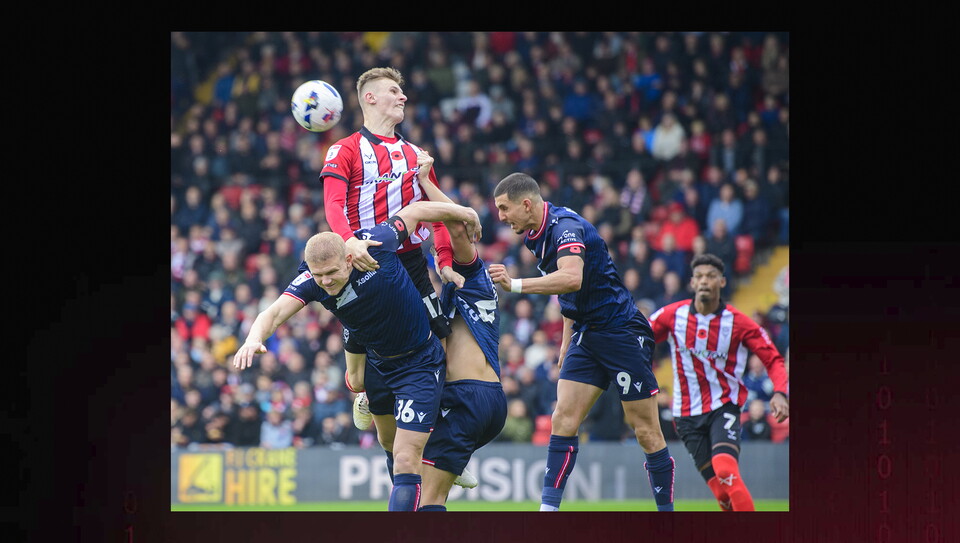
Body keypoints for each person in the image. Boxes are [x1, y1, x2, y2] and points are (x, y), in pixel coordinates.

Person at [233, 195, 481, 512]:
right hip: (377, 360)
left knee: (407, 457)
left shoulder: (375, 243)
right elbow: (273, 313)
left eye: (331, 272)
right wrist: (253, 338)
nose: (325, 281)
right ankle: (367, 397)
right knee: (389, 444)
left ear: (349, 258)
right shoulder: (312, 281)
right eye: (318, 275)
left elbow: (417, 210)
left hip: (419, 362)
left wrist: (464, 212)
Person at [488, 172, 676, 512]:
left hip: (620, 331)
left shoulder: (565, 228)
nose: (500, 216)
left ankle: (667, 515)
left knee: (646, 431)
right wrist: (566, 339)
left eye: (504, 208)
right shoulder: (534, 236)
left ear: (526, 204)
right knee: (563, 418)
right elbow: (566, 293)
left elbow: (572, 278)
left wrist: (514, 284)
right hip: (586, 334)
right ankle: (548, 512)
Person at [350, 153, 507, 511]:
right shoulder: (450, 294)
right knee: (410, 465)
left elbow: (457, 227)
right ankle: (376, 401)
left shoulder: (473, 277)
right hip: (473, 399)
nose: (441, 255)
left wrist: (425, 183)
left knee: (424, 497)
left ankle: (372, 399)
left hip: (466, 398)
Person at [319, 66, 461, 357]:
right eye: (394, 91)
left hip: (411, 263)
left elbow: (439, 218)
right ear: (370, 98)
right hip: (365, 261)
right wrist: (349, 241)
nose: (403, 97)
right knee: (364, 366)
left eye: (402, 92)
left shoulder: (418, 156)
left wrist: (445, 261)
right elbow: (333, 204)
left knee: (439, 345)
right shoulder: (345, 149)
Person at [647, 253, 789, 511]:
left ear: (722, 282)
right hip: (686, 415)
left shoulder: (738, 322)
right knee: (721, 493)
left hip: (723, 407)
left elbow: (772, 358)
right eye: (699, 276)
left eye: (711, 276)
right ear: (692, 282)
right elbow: (640, 337)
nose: (704, 281)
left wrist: (780, 392)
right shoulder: (672, 315)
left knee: (725, 470)